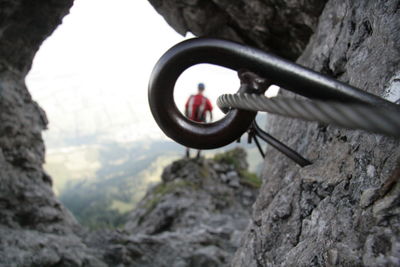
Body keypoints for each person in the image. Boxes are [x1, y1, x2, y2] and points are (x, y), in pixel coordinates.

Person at [184, 82, 213, 158]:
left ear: (198, 88)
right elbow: (210, 110)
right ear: (203, 89)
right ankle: (198, 154)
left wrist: (186, 119)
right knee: (201, 139)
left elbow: (186, 107)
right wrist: (210, 122)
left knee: (188, 137)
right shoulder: (205, 100)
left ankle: (187, 152)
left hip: (190, 122)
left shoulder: (191, 97)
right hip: (201, 124)